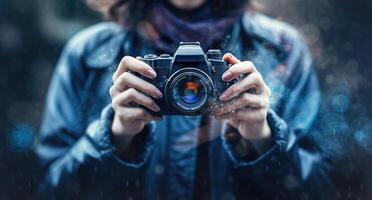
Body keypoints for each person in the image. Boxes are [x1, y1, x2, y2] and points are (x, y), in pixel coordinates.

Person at [36, 0, 332, 199]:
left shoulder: (282, 49)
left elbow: (319, 191)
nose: (190, 90)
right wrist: (116, 135)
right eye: (184, 86)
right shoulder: (88, 52)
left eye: (196, 85)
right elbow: (50, 190)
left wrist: (263, 138)